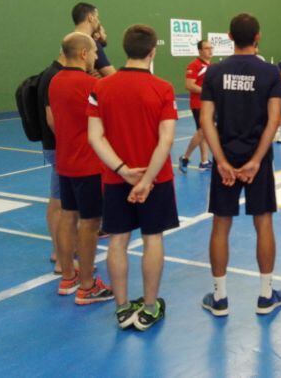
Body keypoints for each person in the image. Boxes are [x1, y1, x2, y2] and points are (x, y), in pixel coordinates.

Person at [88, 25, 179, 331]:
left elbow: (95, 137)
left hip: (116, 181)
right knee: (153, 239)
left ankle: (123, 308)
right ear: (153, 51)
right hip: (157, 180)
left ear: (125, 50)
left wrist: (122, 170)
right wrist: (146, 179)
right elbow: (166, 140)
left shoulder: (100, 88)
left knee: (118, 241)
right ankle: (150, 308)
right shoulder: (163, 88)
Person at [199, 13, 281, 317]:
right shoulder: (269, 73)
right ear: (257, 36)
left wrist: (221, 160)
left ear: (229, 36)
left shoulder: (214, 72)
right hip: (256, 161)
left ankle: (219, 298)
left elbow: (205, 120)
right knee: (263, 222)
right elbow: (274, 120)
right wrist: (256, 161)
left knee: (221, 225)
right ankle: (265, 296)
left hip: (226, 159)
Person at [48, 33, 113, 304]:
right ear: (84, 54)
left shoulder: (54, 81)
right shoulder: (91, 85)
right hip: (88, 164)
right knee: (89, 224)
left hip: (64, 162)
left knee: (67, 216)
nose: (98, 58)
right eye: (95, 54)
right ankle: (87, 286)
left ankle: (68, 277)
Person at [39, 55, 65, 272]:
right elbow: (51, 118)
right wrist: (69, 145)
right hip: (59, 147)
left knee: (60, 199)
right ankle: (60, 257)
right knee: (59, 202)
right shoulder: (54, 77)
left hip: (57, 146)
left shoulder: (52, 74)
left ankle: (60, 251)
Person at [179, 40, 213, 172]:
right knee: (203, 131)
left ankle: (204, 161)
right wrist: (207, 91)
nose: (210, 50)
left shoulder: (211, 66)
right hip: (198, 104)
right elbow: (189, 85)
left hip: (209, 104)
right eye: (206, 48)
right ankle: (185, 157)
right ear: (200, 51)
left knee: (203, 133)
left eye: (211, 47)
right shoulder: (194, 65)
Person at [71, 2, 115, 77]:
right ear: (90, 17)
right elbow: (113, 77)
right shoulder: (92, 45)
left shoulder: (67, 43)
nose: (98, 21)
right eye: (97, 17)